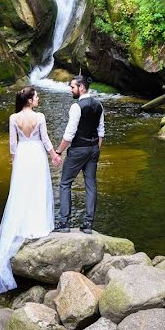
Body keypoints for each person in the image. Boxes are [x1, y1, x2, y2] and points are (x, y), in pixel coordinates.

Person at [0, 86, 61, 295]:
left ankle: (22, 224)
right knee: (38, 189)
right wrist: (54, 155)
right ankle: (38, 225)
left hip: (23, 155)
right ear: (29, 100)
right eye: (36, 96)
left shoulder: (13, 118)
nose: (38, 98)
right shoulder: (39, 117)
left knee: (21, 190)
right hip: (37, 154)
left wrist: (14, 160)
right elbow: (46, 139)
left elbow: (13, 144)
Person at [53, 75, 105, 234]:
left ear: (81, 87)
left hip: (77, 150)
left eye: (72, 87)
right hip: (93, 148)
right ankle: (88, 224)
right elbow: (101, 131)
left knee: (65, 183)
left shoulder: (76, 107)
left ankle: (64, 222)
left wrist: (58, 151)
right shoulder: (99, 105)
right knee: (91, 185)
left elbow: (69, 134)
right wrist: (95, 149)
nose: (70, 90)